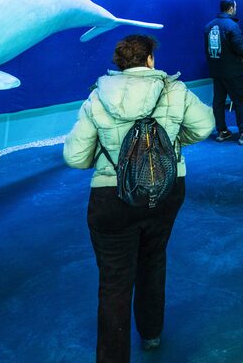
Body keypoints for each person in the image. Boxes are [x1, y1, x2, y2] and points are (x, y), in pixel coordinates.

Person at [63, 34, 214, 361]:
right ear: (149, 60)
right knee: (153, 258)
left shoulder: (96, 98)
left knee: (114, 281)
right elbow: (204, 126)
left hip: (110, 201)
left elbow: (75, 157)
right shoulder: (175, 90)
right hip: (166, 191)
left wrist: (107, 160)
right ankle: (152, 334)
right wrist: (173, 147)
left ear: (119, 63)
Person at [204, 0, 243, 145]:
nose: (236, 9)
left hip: (217, 72)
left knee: (219, 102)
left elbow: (209, 50)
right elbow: (240, 48)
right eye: (235, 7)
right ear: (231, 8)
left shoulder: (208, 26)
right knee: (240, 102)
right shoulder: (232, 26)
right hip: (234, 72)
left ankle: (222, 132)